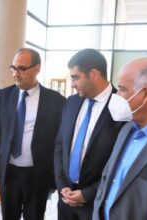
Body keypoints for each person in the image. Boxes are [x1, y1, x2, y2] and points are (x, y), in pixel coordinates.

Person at [92, 57, 147, 220]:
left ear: (145, 94)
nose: (116, 95)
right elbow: (106, 183)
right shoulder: (128, 128)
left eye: (122, 88)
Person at [0, 48, 65, 220]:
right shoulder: (4, 95)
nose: (16, 74)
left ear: (37, 68)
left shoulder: (56, 101)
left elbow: (59, 143)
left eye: (22, 69)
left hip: (38, 175)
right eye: (13, 68)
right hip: (9, 174)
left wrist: (54, 178)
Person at [54, 49, 124, 220]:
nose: (72, 84)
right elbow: (60, 145)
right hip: (65, 201)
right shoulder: (71, 102)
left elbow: (123, 163)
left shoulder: (121, 106)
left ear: (93, 74)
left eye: (75, 77)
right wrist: (63, 186)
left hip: (98, 204)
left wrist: (88, 194)